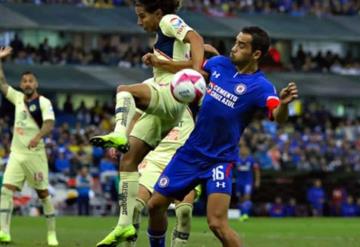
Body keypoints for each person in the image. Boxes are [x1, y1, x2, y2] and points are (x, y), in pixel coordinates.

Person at [147, 26, 299, 247]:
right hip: (190, 153)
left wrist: (284, 105)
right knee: (155, 206)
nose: (234, 48)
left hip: (220, 160)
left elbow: (277, 114)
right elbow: (192, 69)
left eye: (242, 45)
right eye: (235, 42)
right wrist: (162, 63)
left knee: (217, 224)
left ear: (256, 54)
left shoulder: (261, 86)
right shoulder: (218, 64)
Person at [93, 0, 205, 245]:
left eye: (142, 16)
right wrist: (167, 63)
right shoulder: (165, 40)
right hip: (164, 106)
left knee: (124, 90)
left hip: (171, 94)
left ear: (157, 13)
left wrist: (194, 73)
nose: (139, 22)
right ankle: (123, 226)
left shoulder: (168, 20)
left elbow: (196, 39)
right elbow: (201, 50)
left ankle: (119, 133)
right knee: (128, 159)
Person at [0, 47, 59, 246]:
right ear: (21, 84)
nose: (27, 84)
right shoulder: (17, 99)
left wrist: (38, 137)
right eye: (24, 81)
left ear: (36, 84)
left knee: (43, 194)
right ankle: (4, 232)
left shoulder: (43, 102)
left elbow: (49, 123)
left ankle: (51, 234)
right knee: (6, 190)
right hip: (16, 153)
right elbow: (1, 83)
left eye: (30, 81)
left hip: (35, 155)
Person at [234, 142, 260, 221]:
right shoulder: (236, 159)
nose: (243, 150)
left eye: (245, 149)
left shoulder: (251, 159)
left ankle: (246, 214)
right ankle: (241, 214)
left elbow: (256, 170)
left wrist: (257, 180)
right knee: (240, 199)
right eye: (241, 149)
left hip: (247, 182)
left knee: (247, 197)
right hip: (239, 181)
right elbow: (231, 169)